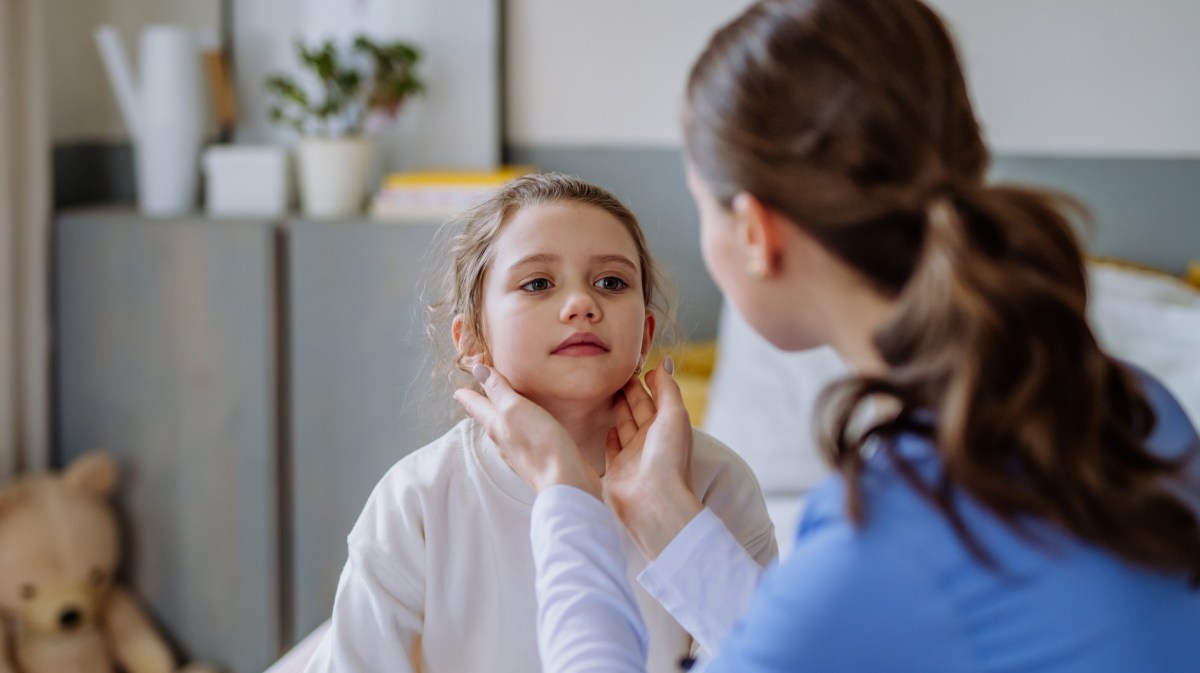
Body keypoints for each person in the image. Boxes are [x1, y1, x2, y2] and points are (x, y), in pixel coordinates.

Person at [455, 0, 1200, 671]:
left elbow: (823, 627)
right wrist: (661, 513)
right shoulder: (1136, 409)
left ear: (756, 232)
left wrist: (566, 497)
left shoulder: (881, 545)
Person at [303, 173, 777, 673]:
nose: (582, 304)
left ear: (645, 335)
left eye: (611, 282)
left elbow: (777, 656)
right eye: (537, 284)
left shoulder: (717, 481)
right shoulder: (415, 499)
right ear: (471, 340)